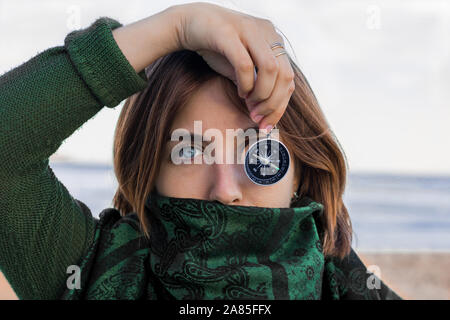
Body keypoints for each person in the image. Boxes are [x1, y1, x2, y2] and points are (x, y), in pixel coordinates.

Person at [0, 2, 401, 300]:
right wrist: (174, 28)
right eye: (190, 151)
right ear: (149, 170)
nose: (225, 190)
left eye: (257, 151)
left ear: (300, 172)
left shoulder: (352, 290)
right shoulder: (87, 271)